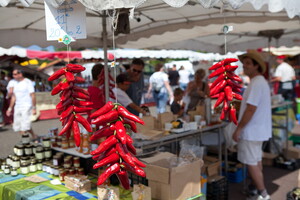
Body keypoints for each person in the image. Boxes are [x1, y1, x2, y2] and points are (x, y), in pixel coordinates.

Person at [232, 50, 271, 200]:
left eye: (248, 63)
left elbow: (251, 108)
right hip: (257, 130)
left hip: (251, 131)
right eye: (244, 63)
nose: (245, 66)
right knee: (256, 160)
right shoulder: (259, 82)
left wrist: (239, 128)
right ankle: (257, 190)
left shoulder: (256, 83)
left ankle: (263, 194)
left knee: (251, 162)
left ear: (256, 66)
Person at [6, 69, 37, 139]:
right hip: (18, 106)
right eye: (13, 74)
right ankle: (33, 136)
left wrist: (34, 108)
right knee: (19, 125)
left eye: (15, 74)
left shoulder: (27, 82)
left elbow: (33, 95)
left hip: (26, 105)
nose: (13, 76)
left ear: (20, 74)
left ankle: (25, 141)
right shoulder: (12, 82)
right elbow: (12, 97)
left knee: (25, 126)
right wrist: (9, 108)